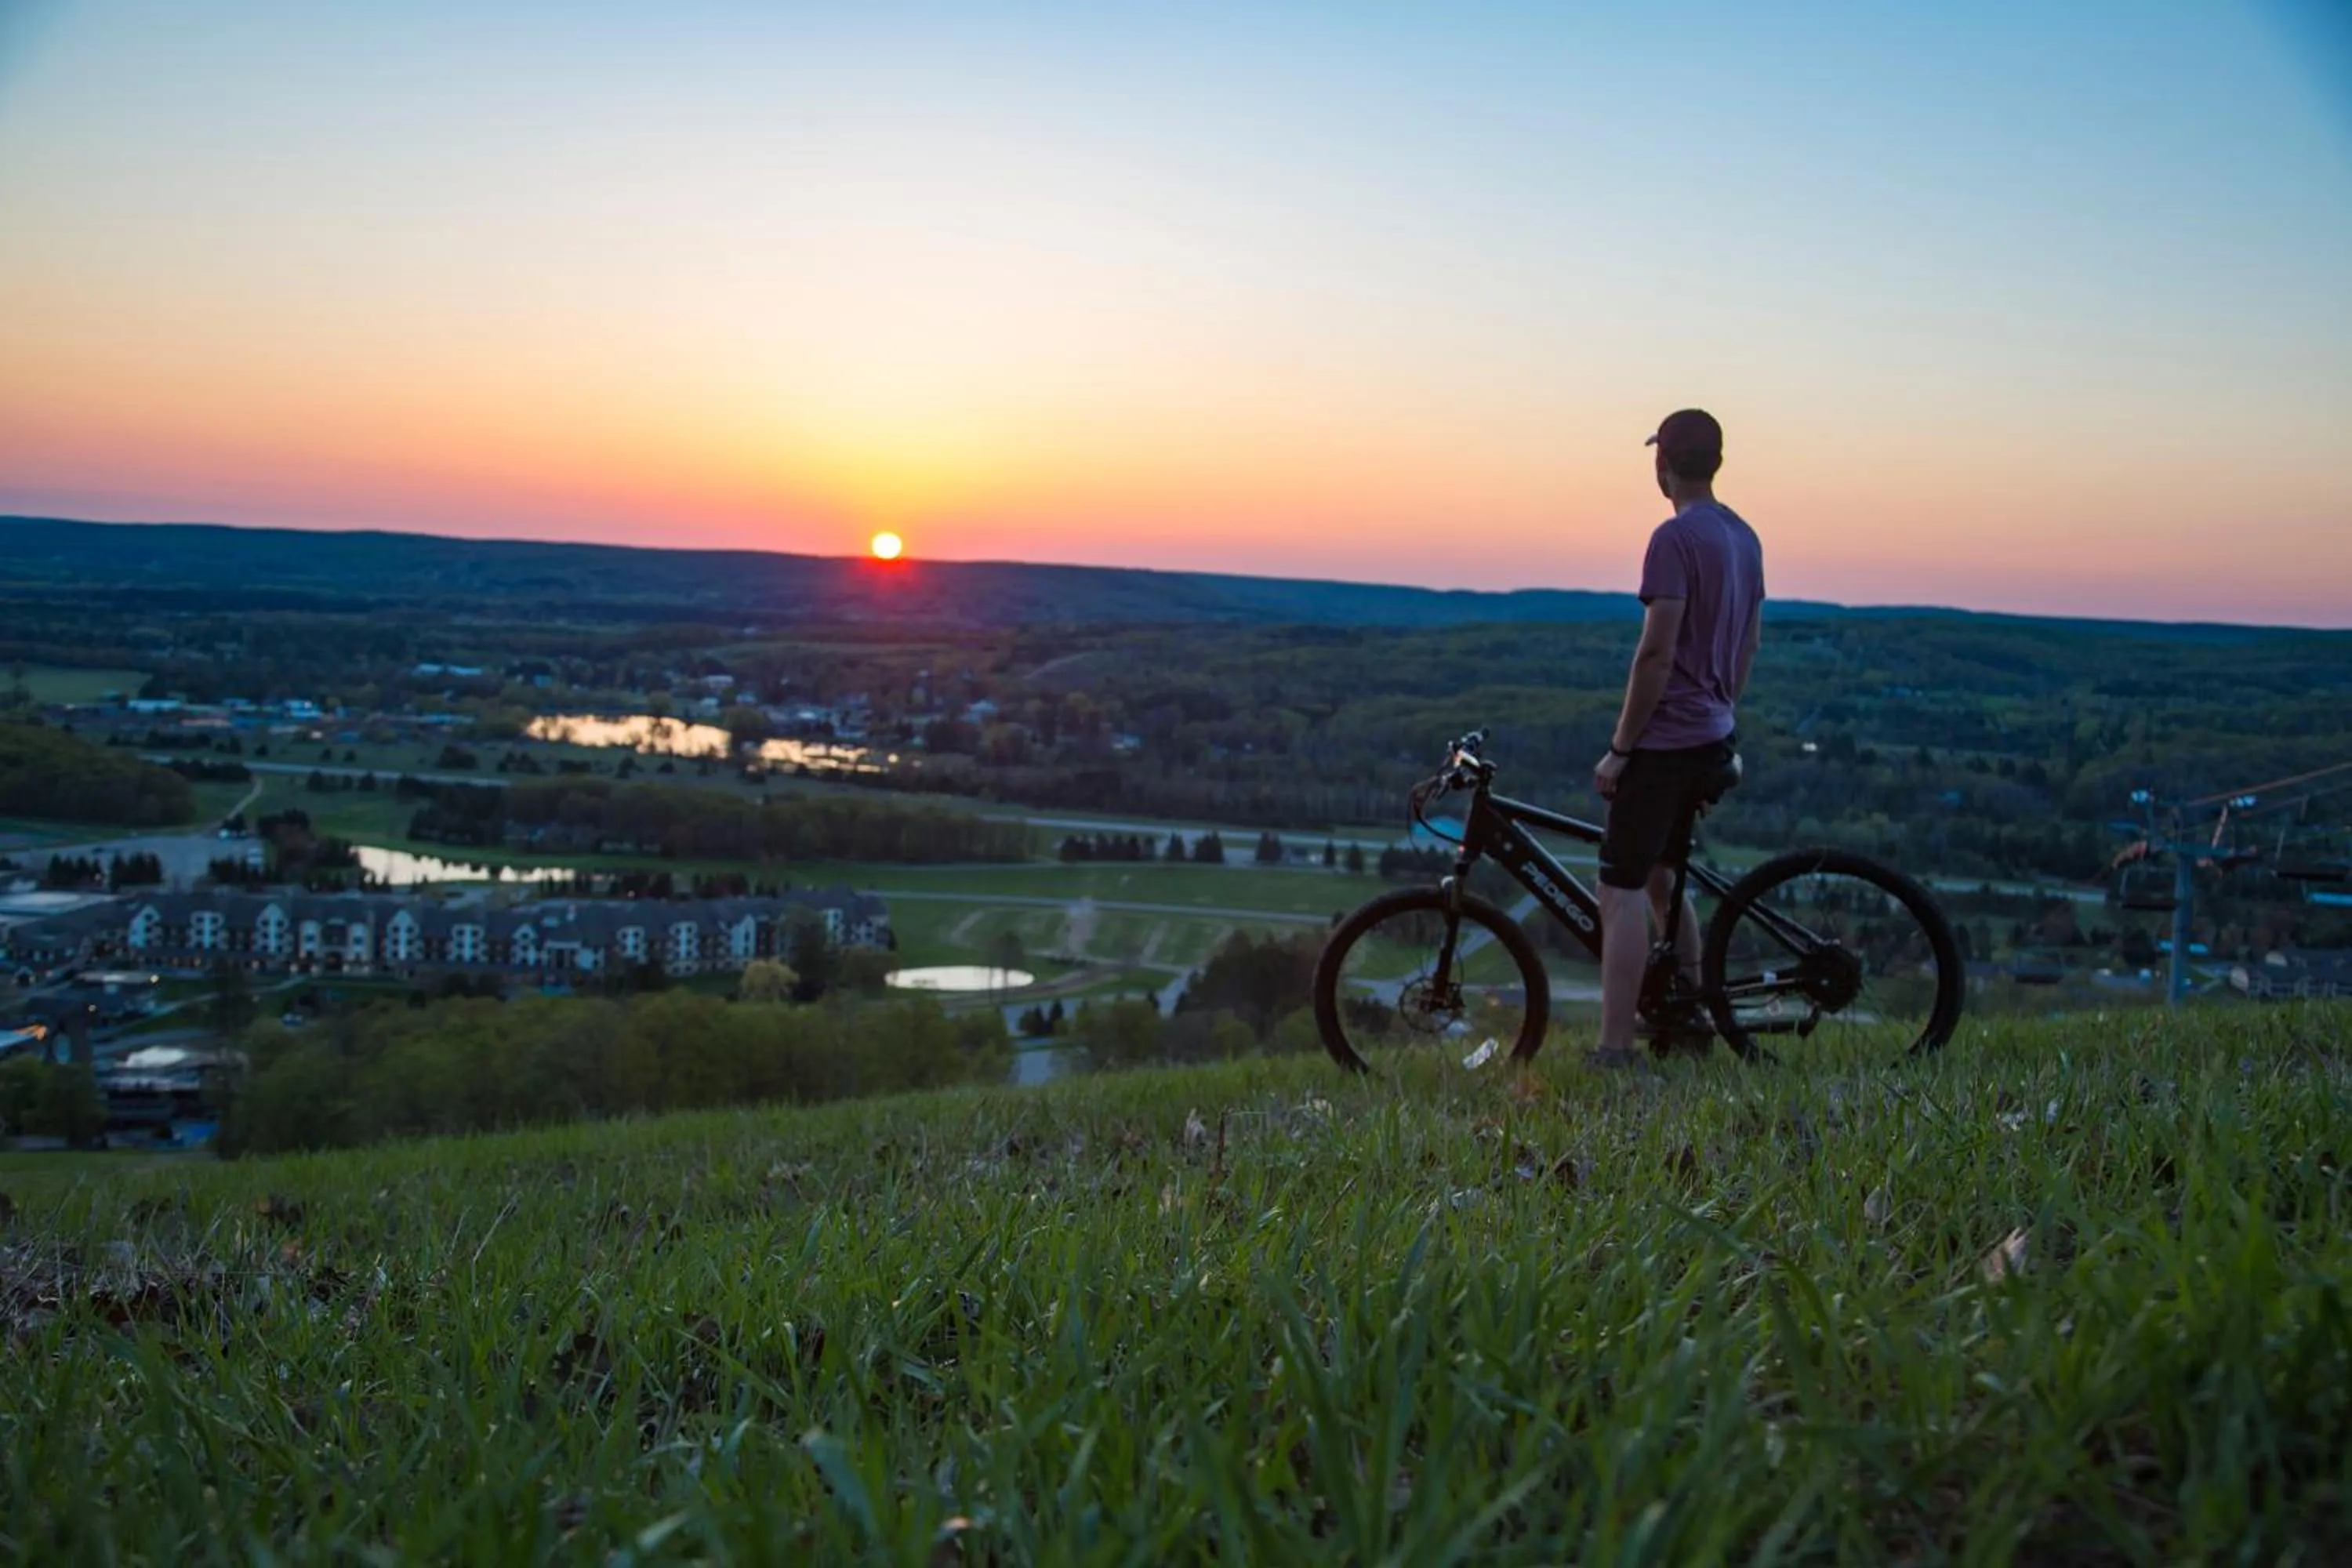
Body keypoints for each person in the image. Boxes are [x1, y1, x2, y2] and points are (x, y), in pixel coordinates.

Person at [1588, 408, 1764, 1070]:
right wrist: (1723, 712)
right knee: (1665, 879)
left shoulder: (1674, 538)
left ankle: (1614, 1049)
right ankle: (1689, 1017)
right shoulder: (1743, 537)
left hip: (1665, 744)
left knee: (1621, 888)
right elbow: (1748, 640)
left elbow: (1654, 654)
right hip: (1712, 733)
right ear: (1715, 461)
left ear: (1661, 464)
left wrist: (1622, 748)